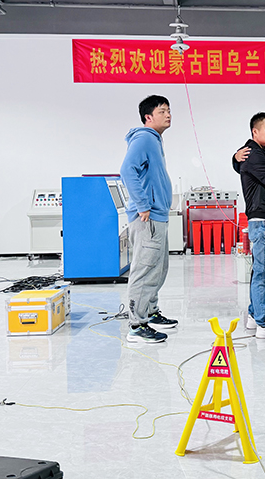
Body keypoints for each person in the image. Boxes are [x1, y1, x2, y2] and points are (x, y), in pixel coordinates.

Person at [120, 95, 179, 344]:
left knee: (158, 268)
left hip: (157, 215)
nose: (168, 115)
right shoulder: (144, 138)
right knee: (145, 270)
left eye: (169, 110)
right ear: (148, 117)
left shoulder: (154, 139)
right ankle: (137, 325)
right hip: (148, 217)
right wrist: (143, 204)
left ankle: (151, 312)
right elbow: (127, 170)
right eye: (162, 111)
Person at [237, 113, 265, 339]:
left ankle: (255, 314)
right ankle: (263, 323)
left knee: (263, 271)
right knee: (263, 273)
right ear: (255, 131)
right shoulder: (253, 154)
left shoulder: (259, 153)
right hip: (262, 220)